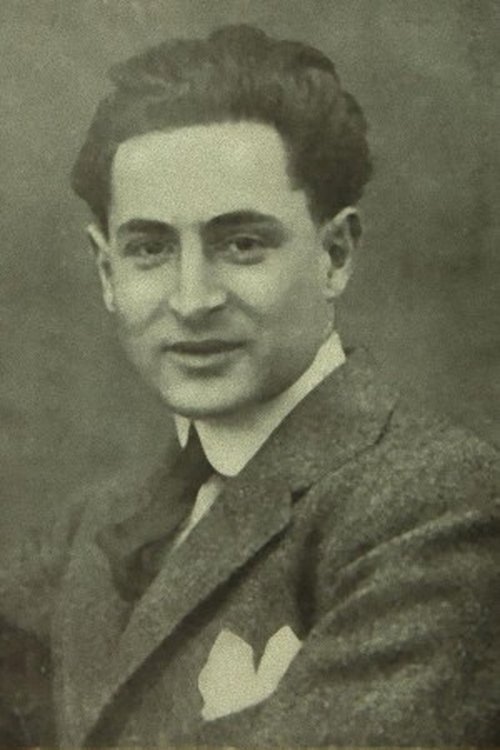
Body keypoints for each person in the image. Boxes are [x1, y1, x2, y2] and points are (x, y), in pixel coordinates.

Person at [1, 24, 499, 748]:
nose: (192, 299)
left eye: (242, 244)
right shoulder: (92, 523)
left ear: (335, 255)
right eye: (150, 248)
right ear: (107, 273)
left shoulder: (440, 508)